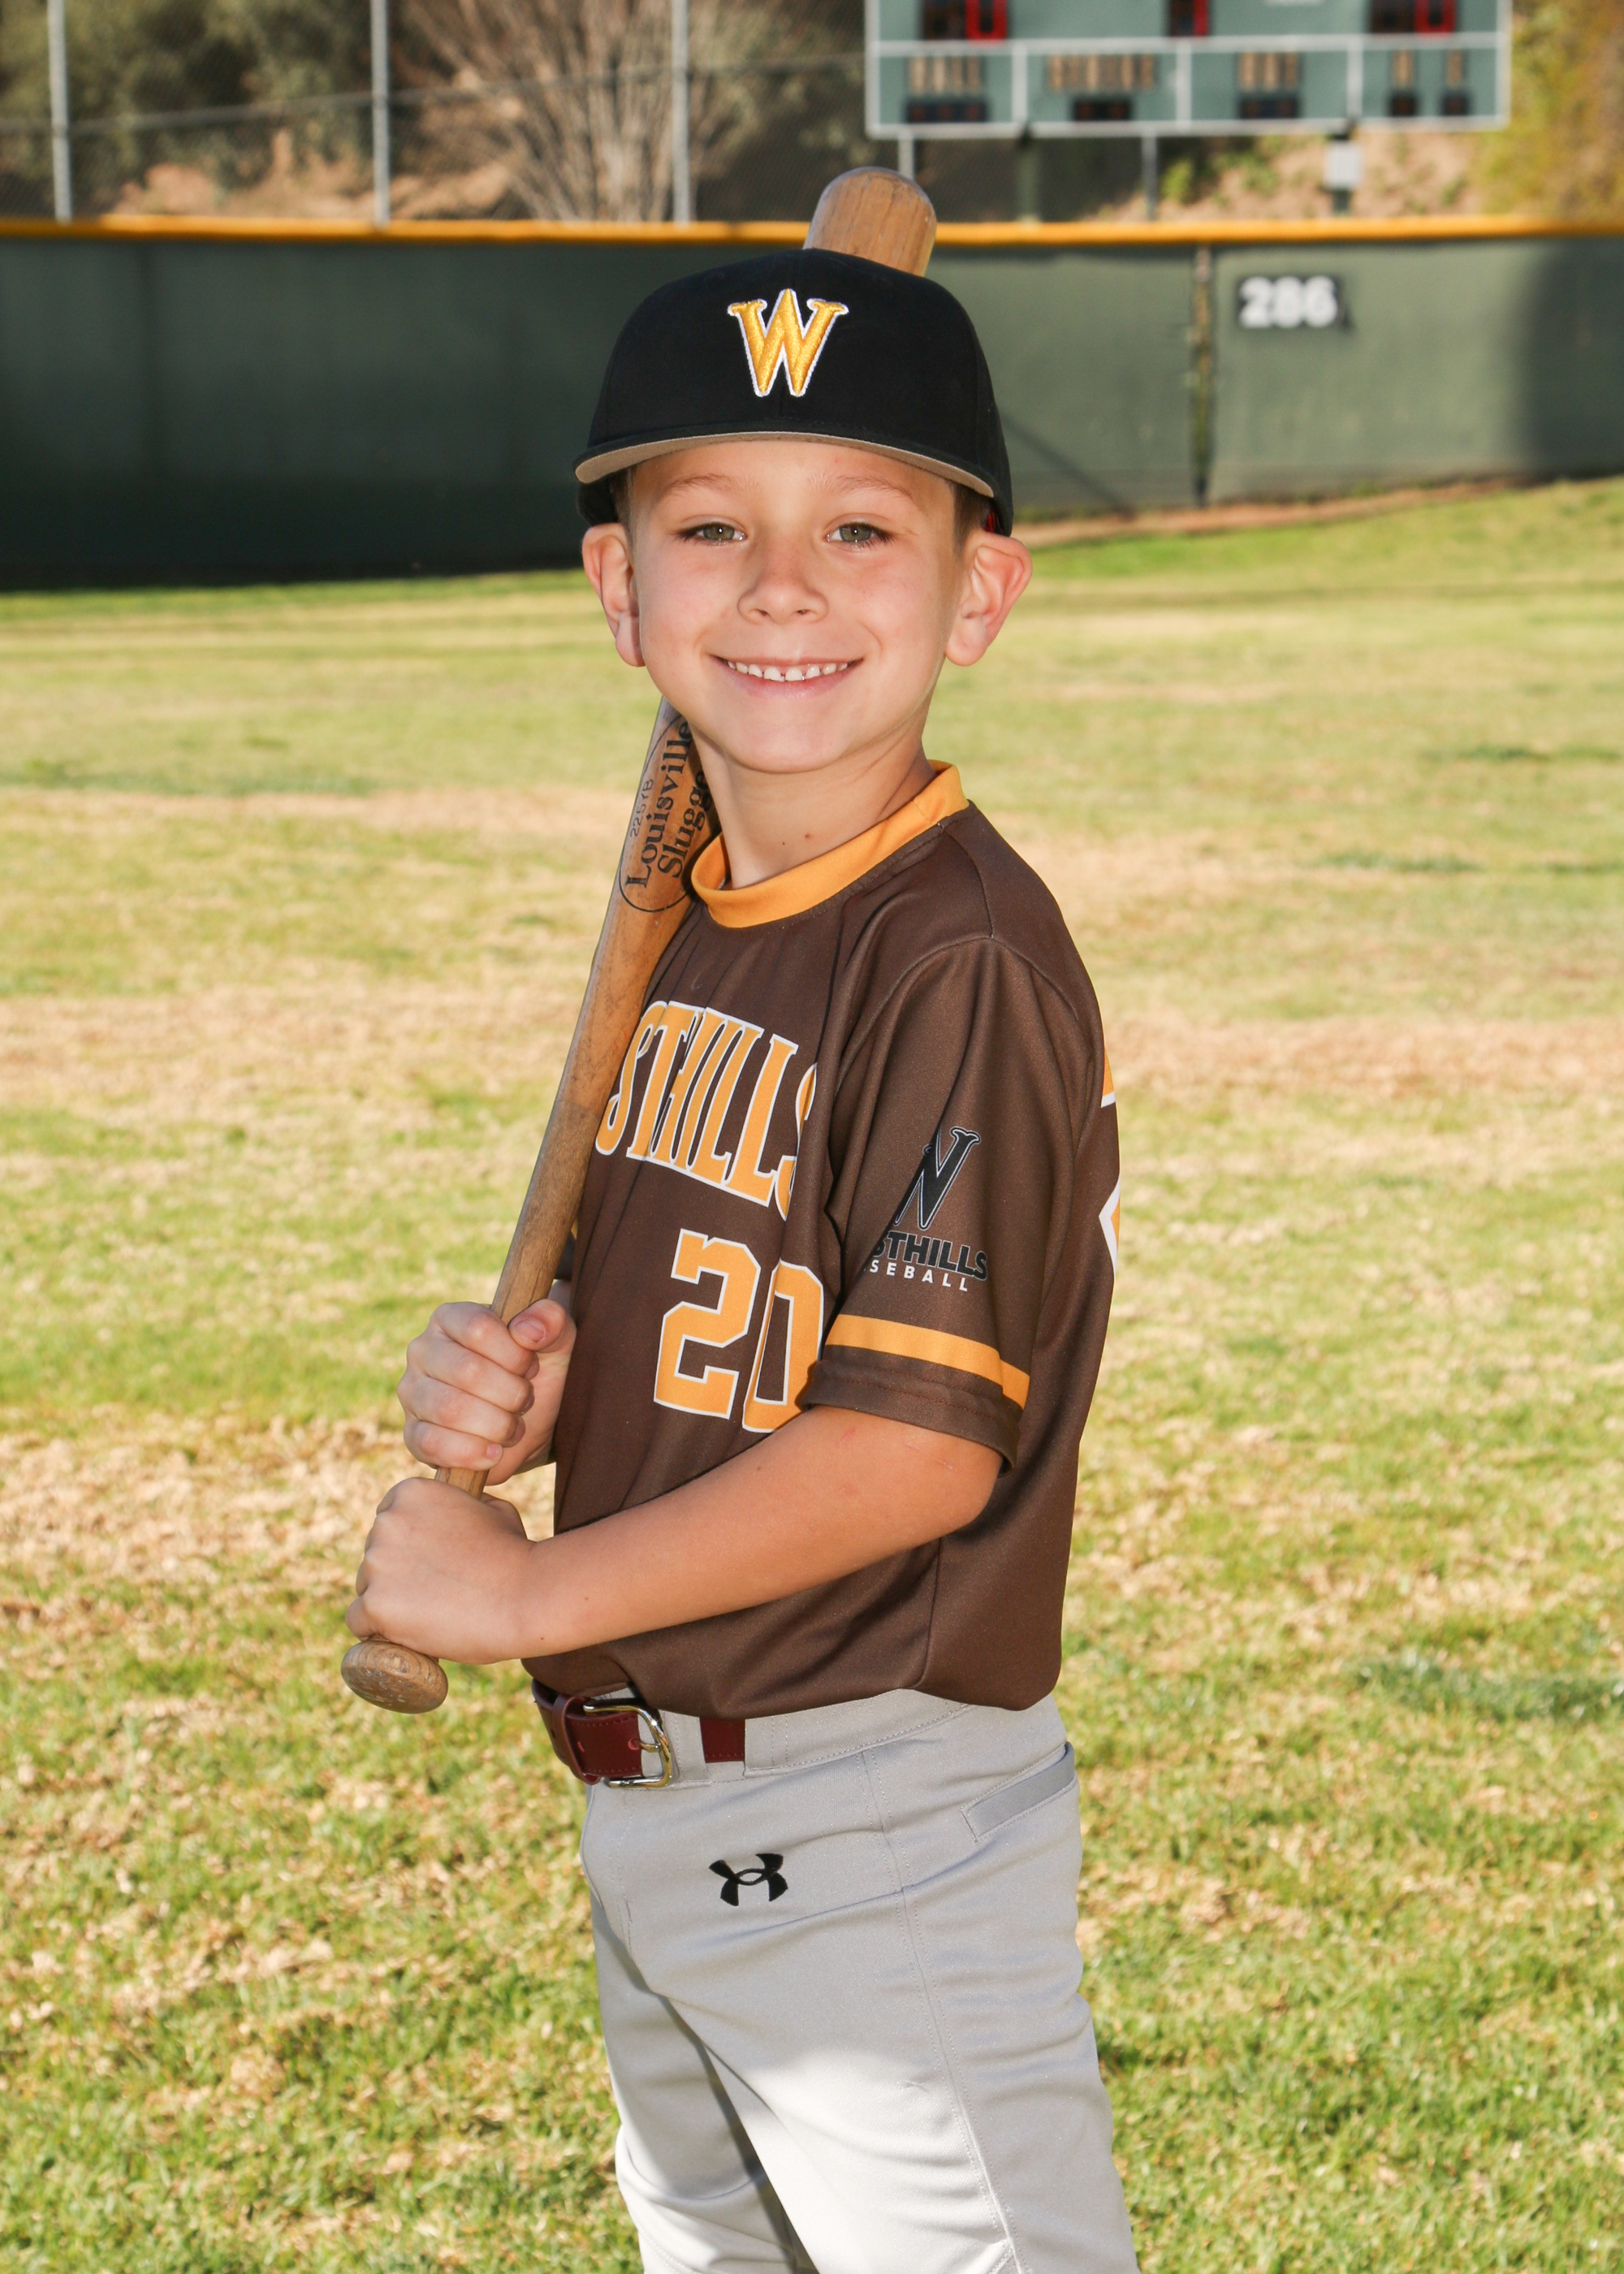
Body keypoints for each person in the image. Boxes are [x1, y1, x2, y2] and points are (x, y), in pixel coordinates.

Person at [347, 249, 1136, 2274]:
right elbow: (733, 1313)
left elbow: (911, 1448)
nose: (783, 586)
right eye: (712, 528)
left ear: (978, 592)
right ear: (621, 590)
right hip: (671, 1805)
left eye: (860, 528)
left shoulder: (958, 954)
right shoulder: (705, 915)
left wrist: (526, 1590)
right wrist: (547, 1385)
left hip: (871, 1811)